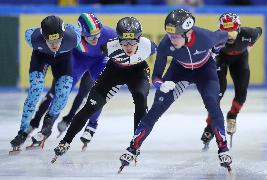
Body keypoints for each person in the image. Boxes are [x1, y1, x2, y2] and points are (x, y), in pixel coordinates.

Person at [118, 9, 233, 173]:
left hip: (205, 71)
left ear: (188, 32)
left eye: (176, 36)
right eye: (170, 35)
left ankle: (223, 147)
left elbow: (223, 35)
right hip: (179, 71)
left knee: (212, 103)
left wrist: (216, 49)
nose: (172, 40)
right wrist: (160, 84)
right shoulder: (166, 43)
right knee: (157, 108)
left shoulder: (205, 38)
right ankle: (133, 147)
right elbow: (156, 75)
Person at [51, 16, 157, 162]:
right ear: (117, 39)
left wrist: (159, 77)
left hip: (138, 73)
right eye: (124, 42)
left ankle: (135, 146)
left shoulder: (148, 46)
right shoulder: (108, 47)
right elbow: (92, 56)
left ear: (140, 38)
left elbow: (164, 55)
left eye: (133, 41)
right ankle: (65, 142)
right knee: (90, 106)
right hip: (114, 73)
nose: (129, 47)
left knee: (140, 99)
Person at [27, 13, 117, 149]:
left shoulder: (109, 33)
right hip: (77, 60)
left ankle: (92, 125)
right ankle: (47, 126)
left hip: (98, 61)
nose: (95, 39)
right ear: (81, 33)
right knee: (62, 91)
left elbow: (125, 49)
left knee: (101, 89)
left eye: (98, 35)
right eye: (91, 36)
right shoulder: (74, 36)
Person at [9, 15, 81, 154]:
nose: (54, 45)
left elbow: (76, 27)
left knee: (64, 93)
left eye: (58, 40)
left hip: (63, 60)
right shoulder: (34, 38)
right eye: (50, 41)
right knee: (35, 91)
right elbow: (29, 31)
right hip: (41, 58)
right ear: (43, 36)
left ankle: (49, 120)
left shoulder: (72, 38)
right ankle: (22, 132)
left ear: (63, 34)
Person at [200, 13, 262, 149]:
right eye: (225, 32)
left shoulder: (249, 33)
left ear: (239, 29)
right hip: (221, 58)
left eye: (232, 32)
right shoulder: (215, 38)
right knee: (217, 93)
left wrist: (250, 45)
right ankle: (210, 126)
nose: (229, 36)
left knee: (241, 93)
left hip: (240, 60)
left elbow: (259, 30)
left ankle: (232, 115)